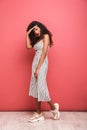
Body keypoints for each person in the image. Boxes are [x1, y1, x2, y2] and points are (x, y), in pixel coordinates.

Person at [26, 21, 60, 123]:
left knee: (41, 86)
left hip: (42, 63)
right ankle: (39, 113)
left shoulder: (46, 36)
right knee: (36, 87)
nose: (36, 31)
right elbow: (28, 47)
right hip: (35, 63)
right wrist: (27, 34)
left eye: (37, 28)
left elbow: (44, 52)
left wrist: (37, 69)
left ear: (41, 27)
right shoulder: (36, 39)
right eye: (34, 30)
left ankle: (54, 108)